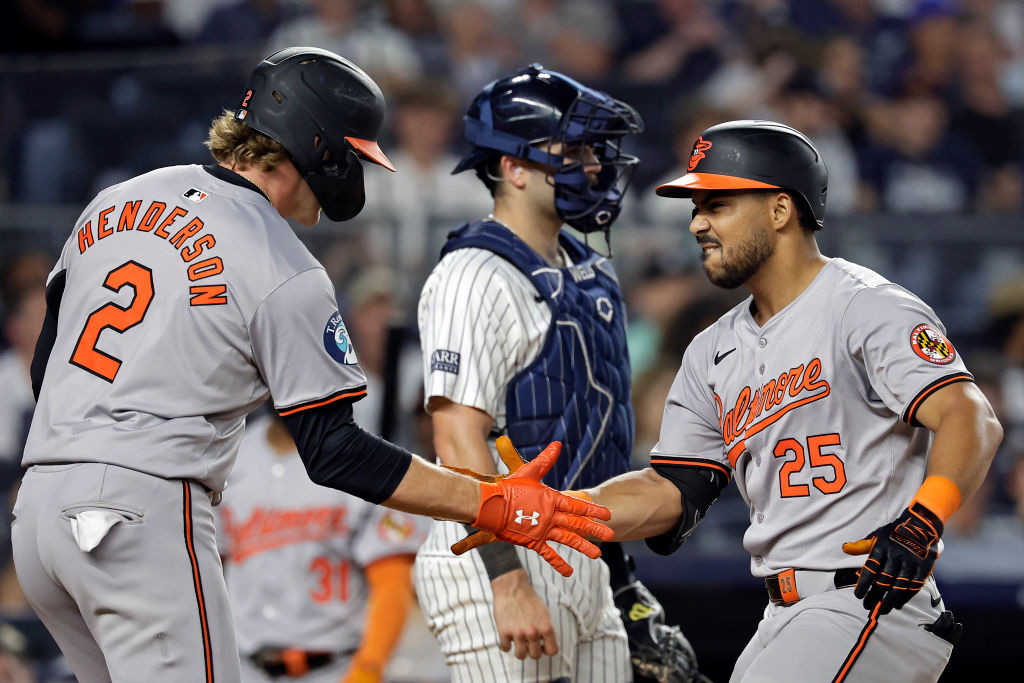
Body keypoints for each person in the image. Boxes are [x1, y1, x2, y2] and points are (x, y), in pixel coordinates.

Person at [10, 47, 611, 683]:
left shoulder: (117, 200)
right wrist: (486, 501)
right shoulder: (283, 265)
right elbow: (335, 453)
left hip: (39, 514)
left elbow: (46, 367)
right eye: (352, 155)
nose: (355, 172)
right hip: (142, 508)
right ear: (318, 146)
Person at [552, 120, 1003, 682]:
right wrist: (562, 510)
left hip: (866, 599)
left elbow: (970, 416)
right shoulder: (709, 350)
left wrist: (924, 519)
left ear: (780, 210)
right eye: (696, 208)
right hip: (783, 614)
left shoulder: (865, 307)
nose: (697, 224)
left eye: (716, 204)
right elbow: (672, 490)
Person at [414, 64, 702, 683]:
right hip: (498, 554)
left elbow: (597, 454)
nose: (593, 164)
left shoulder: (588, 270)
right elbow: (458, 441)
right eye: (570, 150)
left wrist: (626, 590)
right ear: (512, 167)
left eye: (593, 150)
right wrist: (508, 580)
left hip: (583, 559)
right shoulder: (474, 274)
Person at [217, 413, 428, 683]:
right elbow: (210, 571)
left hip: (335, 669)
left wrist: (367, 670)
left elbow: (392, 580)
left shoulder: (363, 456)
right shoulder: (233, 455)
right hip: (243, 669)